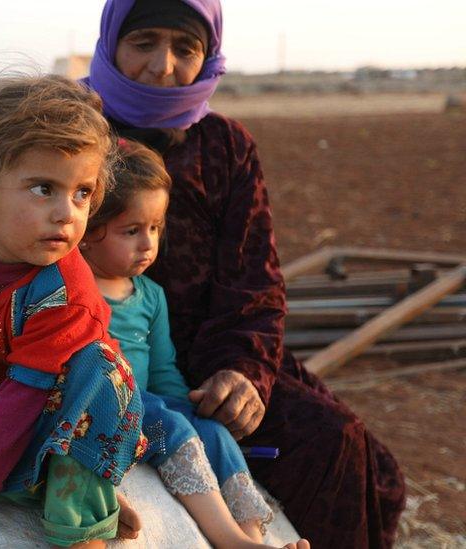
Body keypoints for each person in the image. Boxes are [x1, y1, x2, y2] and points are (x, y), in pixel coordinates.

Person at [0, 75, 306, 549]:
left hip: (63, 410)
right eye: (43, 188)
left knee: (97, 368)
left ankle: (83, 523)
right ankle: (48, 480)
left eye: (82, 193)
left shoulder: (62, 289)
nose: (68, 213)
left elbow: (22, 404)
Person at [84, 1, 405, 547]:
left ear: (209, 57)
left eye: (186, 48)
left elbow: (254, 281)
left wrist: (242, 373)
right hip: (87, 350)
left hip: (212, 358)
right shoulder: (71, 132)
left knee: (340, 444)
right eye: (144, 43)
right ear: (112, 43)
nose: (163, 66)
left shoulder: (225, 146)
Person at [80, 139, 275, 541]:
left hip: (151, 399)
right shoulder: (76, 288)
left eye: (155, 227)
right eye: (131, 230)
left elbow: (164, 369)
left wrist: (194, 406)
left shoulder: (151, 295)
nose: (148, 243)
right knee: (171, 424)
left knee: (213, 431)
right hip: (109, 403)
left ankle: (253, 533)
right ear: (87, 231)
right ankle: (227, 537)